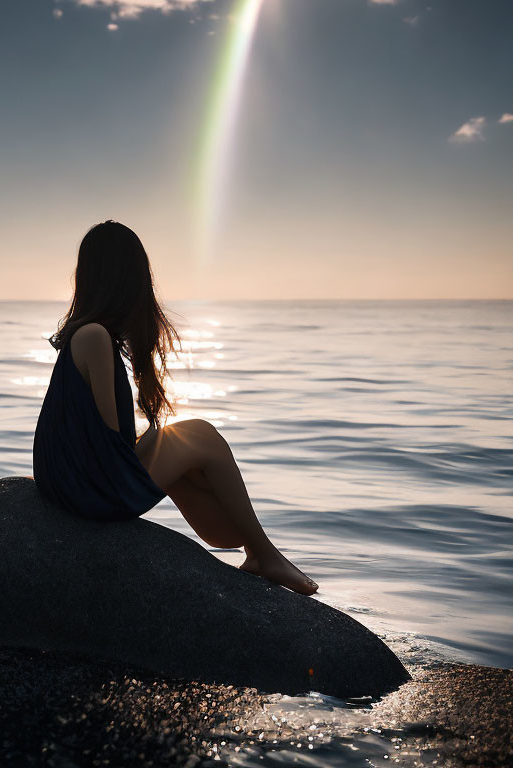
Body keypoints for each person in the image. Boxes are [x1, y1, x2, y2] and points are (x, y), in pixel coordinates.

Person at [33, 220, 318, 596]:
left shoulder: (85, 336)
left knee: (192, 453)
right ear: (128, 279)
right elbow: (110, 440)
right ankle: (263, 553)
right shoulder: (94, 337)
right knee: (199, 434)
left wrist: (173, 459)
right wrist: (162, 450)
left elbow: (99, 438)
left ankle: (255, 548)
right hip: (90, 492)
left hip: (78, 485)